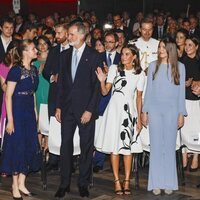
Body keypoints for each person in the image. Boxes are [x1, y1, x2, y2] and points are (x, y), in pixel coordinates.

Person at [54, 21, 100, 198]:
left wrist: (89, 110)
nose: (69, 37)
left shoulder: (94, 55)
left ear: (81, 35)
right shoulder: (64, 55)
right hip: (67, 109)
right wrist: (58, 106)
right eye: (69, 34)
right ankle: (64, 184)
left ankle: (83, 183)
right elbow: (61, 85)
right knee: (65, 145)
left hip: (85, 110)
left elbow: (96, 87)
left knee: (86, 147)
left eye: (72, 34)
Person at [95, 44, 145, 195]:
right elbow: (105, 92)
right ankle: (117, 180)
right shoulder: (114, 69)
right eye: (122, 54)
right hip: (114, 111)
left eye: (127, 54)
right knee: (114, 147)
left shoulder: (140, 74)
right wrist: (101, 80)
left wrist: (139, 118)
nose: (123, 57)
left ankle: (127, 180)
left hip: (129, 112)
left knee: (127, 148)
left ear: (134, 57)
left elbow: (138, 97)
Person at [142, 39, 187, 195]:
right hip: (154, 110)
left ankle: (169, 182)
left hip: (172, 111)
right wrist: (144, 111)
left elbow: (181, 94)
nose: (160, 49)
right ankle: (155, 182)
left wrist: (181, 113)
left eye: (163, 47)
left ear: (171, 49)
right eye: (159, 47)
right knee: (155, 147)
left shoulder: (180, 67)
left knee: (168, 147)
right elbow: (148, 91)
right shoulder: (153, 66)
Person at [0, 39, 40, 199]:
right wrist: (10, 120)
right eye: (32, 49)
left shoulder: (34, 70)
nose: (36, 51)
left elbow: (33, 92)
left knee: (29, 145)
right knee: (17, 147)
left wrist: (35, 111)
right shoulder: (15, 70)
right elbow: (8, 96)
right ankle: (14, 185)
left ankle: (23, 183)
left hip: (29, 110)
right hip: (17, 111)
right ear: (24, 52)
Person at [181, 36, 200, 172]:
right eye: (186, 45)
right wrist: (184, 84)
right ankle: (184, 155)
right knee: (183, 129)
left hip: (197, 101)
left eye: (190, 45)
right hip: (184, 99)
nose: (187, 47)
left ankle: (195, 157)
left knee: (196, 130)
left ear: (196, 47)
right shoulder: (181, 62)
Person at [34, 35, 51, 149]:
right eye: (40, 44)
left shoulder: (53, 59)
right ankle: (39, 149)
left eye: (45, 43)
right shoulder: (34, 60)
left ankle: (48, 149)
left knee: (49, 123)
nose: (43, 46)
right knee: (38, 123)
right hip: (38, 92)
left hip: (50, 92)